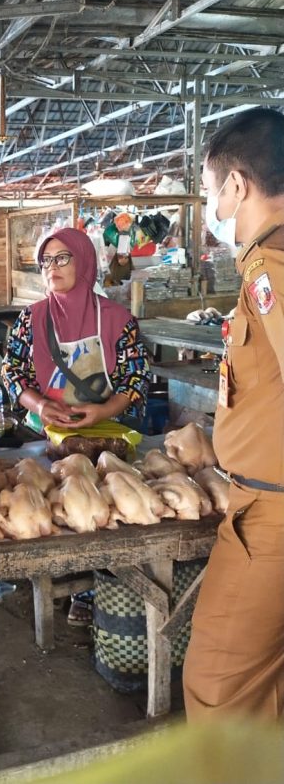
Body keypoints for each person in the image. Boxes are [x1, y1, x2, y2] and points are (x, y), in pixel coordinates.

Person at [183, 107, 284, 721]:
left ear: (238, 184)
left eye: (208, 192)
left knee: (220, 690)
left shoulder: (270, 266)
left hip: (271, 517)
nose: (211, 210)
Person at [1, 227, 150, 434]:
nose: (52, 266)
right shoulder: (30, 318)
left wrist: (104, 410)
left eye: (62, 258)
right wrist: (40, 406)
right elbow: (11, 370)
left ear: (83, 261)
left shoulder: (117, 320)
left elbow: (136, 375)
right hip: (43, 432)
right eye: (46, 260)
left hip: (105, 430)